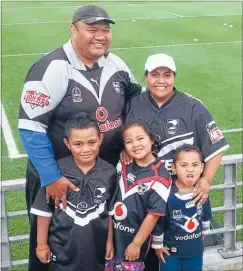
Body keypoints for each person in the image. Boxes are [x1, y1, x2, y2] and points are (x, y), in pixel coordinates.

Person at [18, 5, 142, 271]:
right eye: (92, 29)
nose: (100, 36)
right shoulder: (51, 67)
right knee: (50, 249)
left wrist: (178, 96)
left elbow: (139, 99)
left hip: (102, 175)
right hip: (58, 179)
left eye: (105, 30)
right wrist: (51, 177)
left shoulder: (116, 63)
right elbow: (31, 128)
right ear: (73, 30)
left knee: (100, 243)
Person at [124, 53, 229, 270]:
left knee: (175, 255)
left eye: (167, 75)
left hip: (179, 200)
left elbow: (216, 147)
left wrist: (206, 180)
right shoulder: (134, 104)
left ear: (174, 77)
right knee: (141, 255)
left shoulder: (192, 107)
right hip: (143, 195)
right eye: (155, 75)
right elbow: (124, 140)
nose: (161, 81)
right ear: (145, 77)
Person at [30, 113, 117, 271]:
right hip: (61, 249)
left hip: (96, 248)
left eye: (91, 142)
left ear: (100, 139)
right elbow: (44, 211)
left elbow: (109, 211)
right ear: (67, 144)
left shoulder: (109, 172)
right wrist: (41, 245)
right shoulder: (56, 173)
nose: (86, 149)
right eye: (78, 144)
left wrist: (109, 241)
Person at [109, 120, 172, 270]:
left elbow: (154, 214)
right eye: (129, 141)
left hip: (134, 246)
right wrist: (108, 239)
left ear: (151, 139)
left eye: (140, 138)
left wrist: (136, 243)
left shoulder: (160, 175)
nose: (135, 145)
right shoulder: (122, 163)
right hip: (111, 239)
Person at [153, 145, 212, 271]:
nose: (190, 170)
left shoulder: (201, 192)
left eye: (195, 165)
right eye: (184, 165)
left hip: (195, 252)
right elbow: (158, 220)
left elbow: (206, 212)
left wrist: (205, 232)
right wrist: (158, 244)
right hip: (170, 253)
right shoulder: (168, 194)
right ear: (174, 168)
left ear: (202, 167)